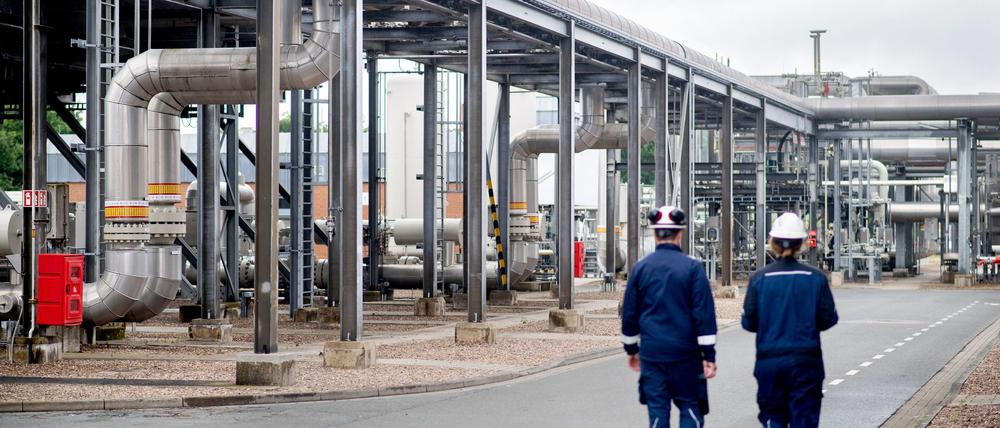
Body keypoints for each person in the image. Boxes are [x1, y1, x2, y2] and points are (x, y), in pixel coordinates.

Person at [621, 206, 718, 428]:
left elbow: (630, 314)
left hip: (652, 355)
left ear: (655, 233)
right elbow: (704, 315)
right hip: (686, 355)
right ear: (680, 232)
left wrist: (632, 350)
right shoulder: (693, 268)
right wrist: (709, 356)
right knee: (690, 408)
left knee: (657, 413)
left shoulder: (640, 269)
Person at [742, 212, 839, 428]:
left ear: (772, 242)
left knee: (773, 417)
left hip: (770, 361)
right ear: (802, 243)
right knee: (804, 420)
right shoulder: (815, 278)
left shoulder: (760, 278)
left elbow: (748, 323)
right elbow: (828, 319)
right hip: (806, 361)